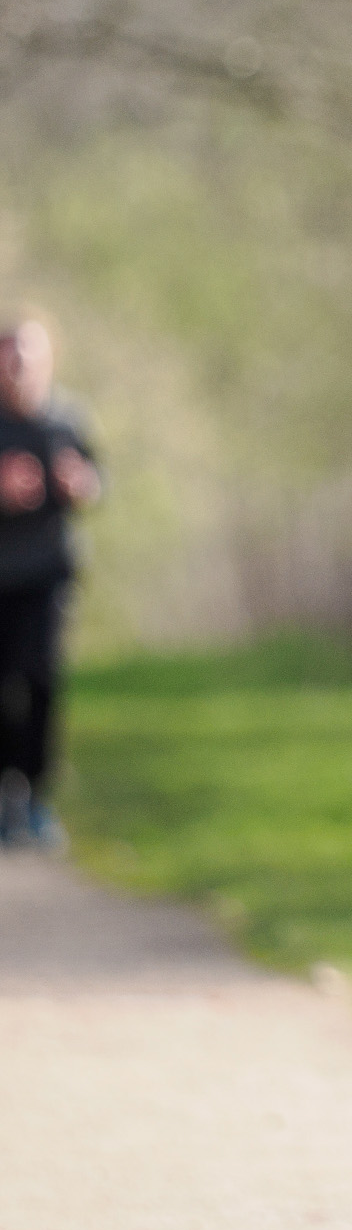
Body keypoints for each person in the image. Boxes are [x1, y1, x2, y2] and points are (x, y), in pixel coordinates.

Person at [0, 318, 100, 849]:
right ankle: (4, 799)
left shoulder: (67, 419)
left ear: (48, 362)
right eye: (11, 356)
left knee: (40, 684)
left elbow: (95, 483)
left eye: (29, 356)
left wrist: (78, 485)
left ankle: (35, 801)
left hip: (46, 578)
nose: (19, 367)